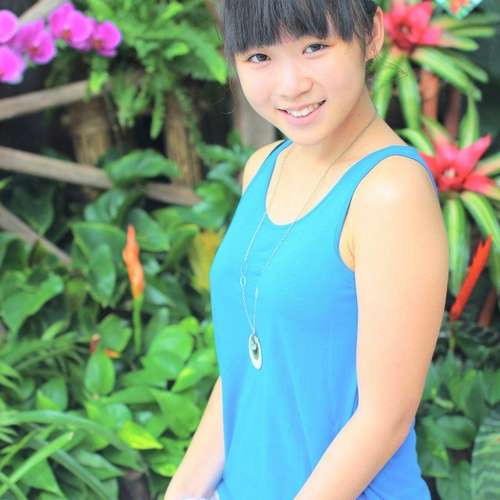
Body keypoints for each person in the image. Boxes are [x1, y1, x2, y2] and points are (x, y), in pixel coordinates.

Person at [164, 0, 449, 499]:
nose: (290, 84)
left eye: (315, 47)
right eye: (259, 57)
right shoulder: (263, 168)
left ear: (372, 35)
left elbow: (384, 418)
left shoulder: (390, 192)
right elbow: (246, 370)